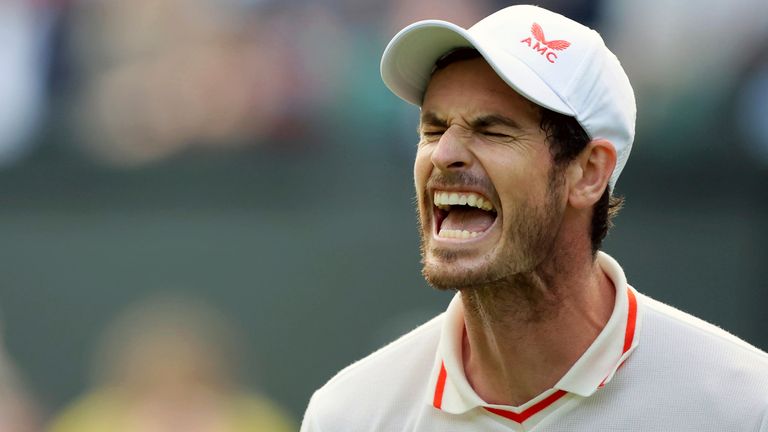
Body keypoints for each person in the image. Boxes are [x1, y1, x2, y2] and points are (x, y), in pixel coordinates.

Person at [299, 5, 768, 432]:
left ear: (588, 173)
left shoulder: (744, 406)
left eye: (492, 130)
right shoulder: (349, 415)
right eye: (433, 128)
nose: (444, 154)